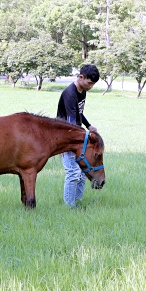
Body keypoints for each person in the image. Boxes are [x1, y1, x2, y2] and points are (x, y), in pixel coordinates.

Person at [56, 63, 100, 208]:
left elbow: (78, 113)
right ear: (81, 77)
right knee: (73, 172)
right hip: (66, 137)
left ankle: (78, 203)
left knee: (81, 173)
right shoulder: (70, 93)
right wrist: (85, 135)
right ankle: (69, 206)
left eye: (93, 84)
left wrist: (88, 125)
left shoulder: (82, 91)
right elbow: (71, 123)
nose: (90, 86)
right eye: (89, 83)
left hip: (76, 135)